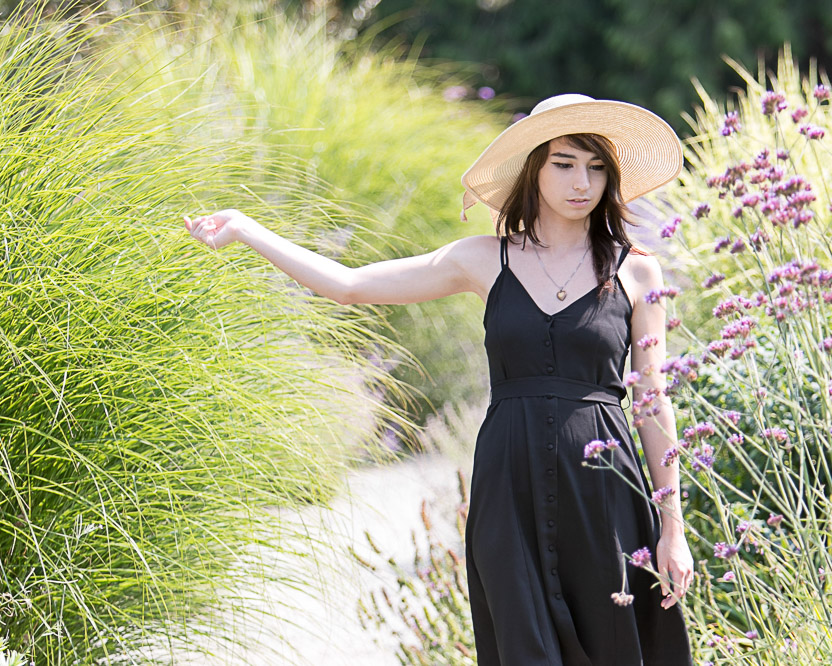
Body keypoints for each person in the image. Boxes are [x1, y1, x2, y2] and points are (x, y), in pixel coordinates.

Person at [183, 93, 695, 665]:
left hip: (605, 488)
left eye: (597, 168)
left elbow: (653, 401)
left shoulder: (637, 270)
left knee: (615, 647)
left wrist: (672, 525)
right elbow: (350, 284)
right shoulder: (481, 259)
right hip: (509, 487)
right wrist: (249, 229)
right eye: (565, 163)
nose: (583, 182)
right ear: (534, 167)